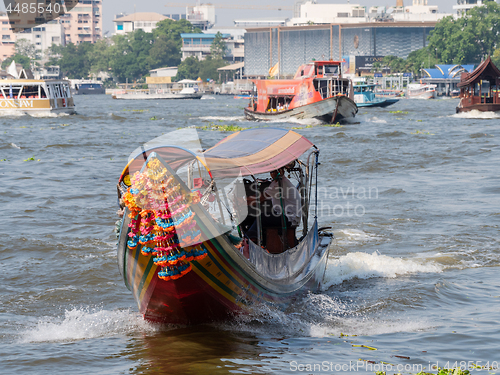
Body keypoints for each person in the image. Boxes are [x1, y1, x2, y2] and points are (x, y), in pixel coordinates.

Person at [245, 168, 302, 243]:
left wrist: (243, 201)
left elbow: (261, 198)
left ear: (282, 171)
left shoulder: (282, 183)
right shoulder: (276, 183)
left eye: (276, 171)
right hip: (283, 215)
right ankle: (252, 239)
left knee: (261, 217)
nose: (273, 174)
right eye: (271, 172)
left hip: (290, 218)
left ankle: (247, 241)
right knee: (250, 218)